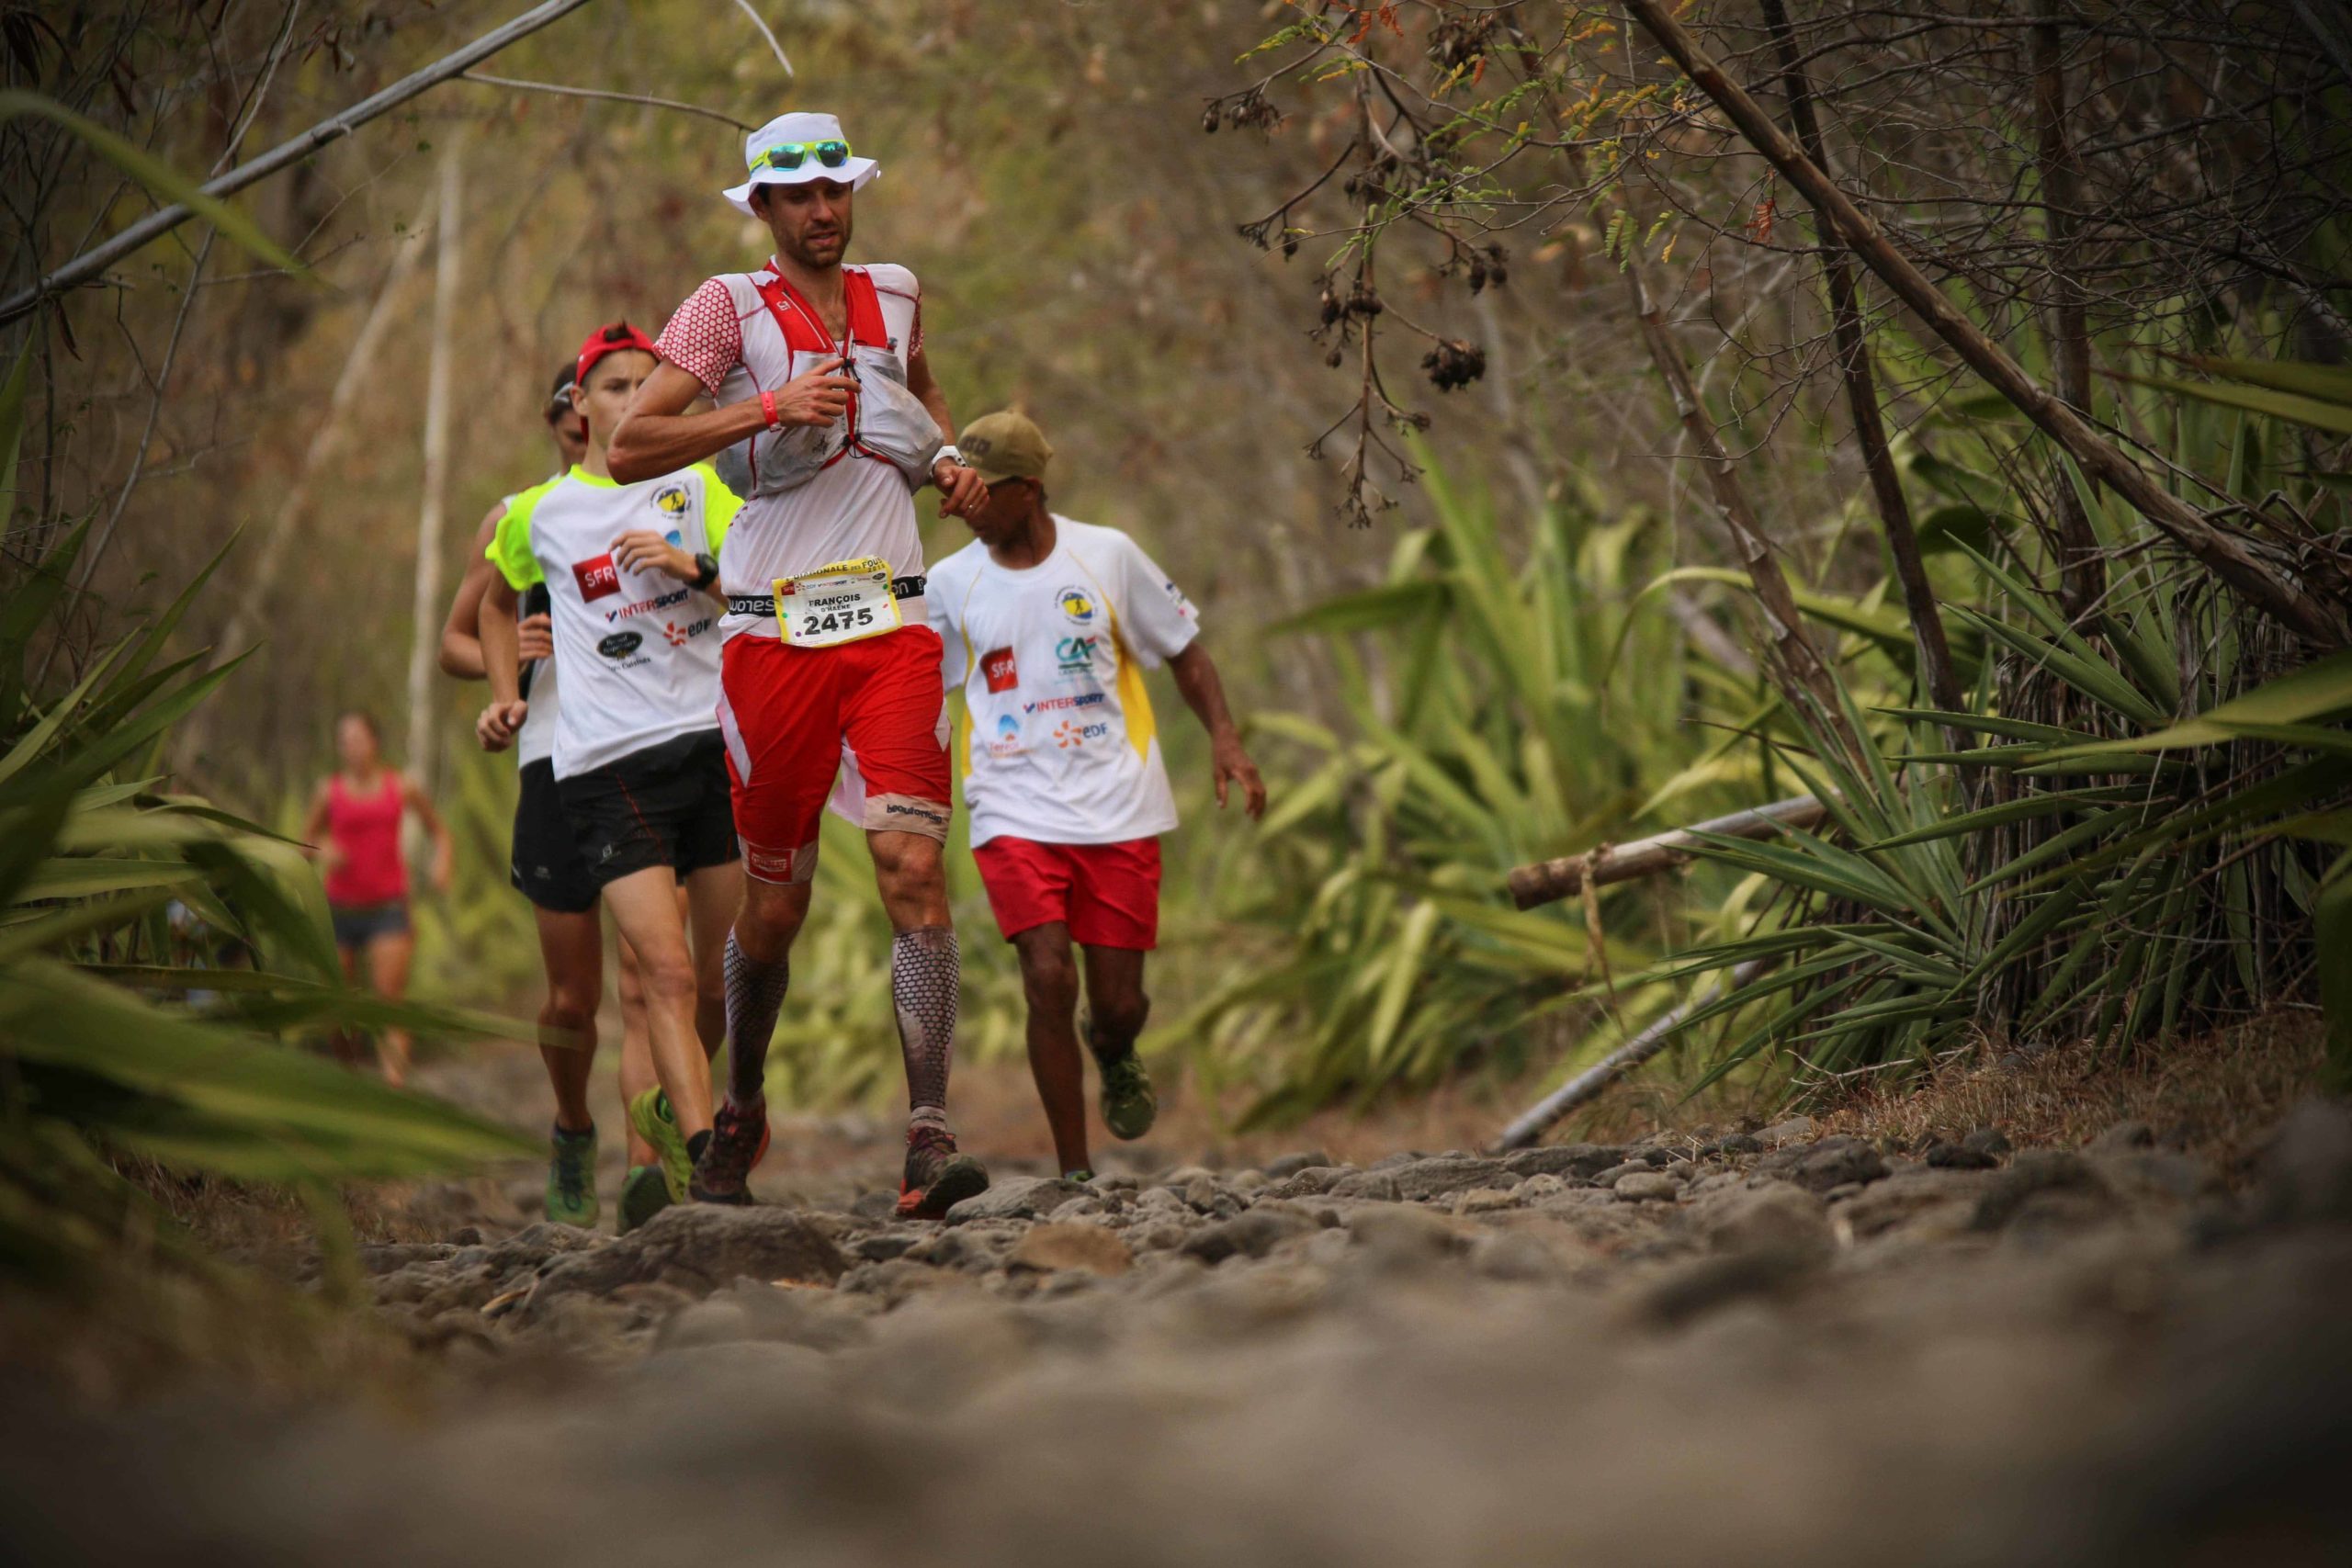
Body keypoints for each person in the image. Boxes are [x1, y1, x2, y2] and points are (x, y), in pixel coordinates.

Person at [608, 111, 994, 1217]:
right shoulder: (721, 308)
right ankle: (740, 1108)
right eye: (798, 197)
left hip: (895, 624)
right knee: (773, 911)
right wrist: (770, 404)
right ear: (763, 208)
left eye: (835, 190)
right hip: (772, 631)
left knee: (912, 868)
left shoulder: (900, 291)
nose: (822, 211)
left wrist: (954, 464)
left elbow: (921, 402)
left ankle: (927, 1138)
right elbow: (634, 443)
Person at [927, 412, 1266, 1180]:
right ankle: (1073, 1171)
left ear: (1031, 490)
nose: (966, 501)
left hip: (1119, 805)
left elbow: (1183, 650)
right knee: (1047, 976)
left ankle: (1115, 1050)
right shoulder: (950, 583)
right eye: (961, 487)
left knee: (1117, 1008)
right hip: (1012, 806)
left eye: (985, 489)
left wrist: (1225, 738)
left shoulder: (1105, 556)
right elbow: (921, 688)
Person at [475, 321, 748, 1209]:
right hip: (603, 764)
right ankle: (704, 1164)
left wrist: (694, 563)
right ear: (579, 411)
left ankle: (681, 1110)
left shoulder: (702, 483)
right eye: (618, 387)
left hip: (710, 746)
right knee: (654, 976)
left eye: (649, 384)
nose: (636, 399)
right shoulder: (536, 514)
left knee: (712, 982)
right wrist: (506, 683)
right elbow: (488, 604)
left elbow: (758, 588)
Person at [440, 361, 672, 1232]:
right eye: (582, 406)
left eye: (628, 396)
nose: (594, 423)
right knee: (574, 999)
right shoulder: (520, 516)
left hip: (650, 750)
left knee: (653, 982)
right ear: (562, 417)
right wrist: (515, 662)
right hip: (554, 756)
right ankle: (573, 1124)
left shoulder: (667, 498)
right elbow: (456, 642)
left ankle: (649, 1171)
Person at [303, 710, 455, 1089]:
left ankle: (393, 1092)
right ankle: (350, 1086)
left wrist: (442, 864)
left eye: (358, 739)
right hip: (338, 910)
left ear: (374, 742)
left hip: (388, 908)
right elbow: (303, 844)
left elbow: (440, 832)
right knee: (340, 1010)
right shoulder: (328, 791)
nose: (351, 748)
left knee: (389, 1004)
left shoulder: (401, 787)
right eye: (344, 741)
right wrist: (324, 849)